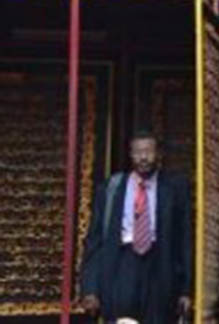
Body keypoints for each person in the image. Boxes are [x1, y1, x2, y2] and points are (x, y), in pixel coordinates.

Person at [80, 133, 192, 324]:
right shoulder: (111, 188)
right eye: (138, 152)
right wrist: (90, 288)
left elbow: (184, 240)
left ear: (158, 154)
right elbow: (95, 240)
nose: (143, 157)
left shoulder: (175, 188)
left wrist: (186, 290)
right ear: (130, 155)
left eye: (149, 151)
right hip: (123, 262)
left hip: (160, 264)